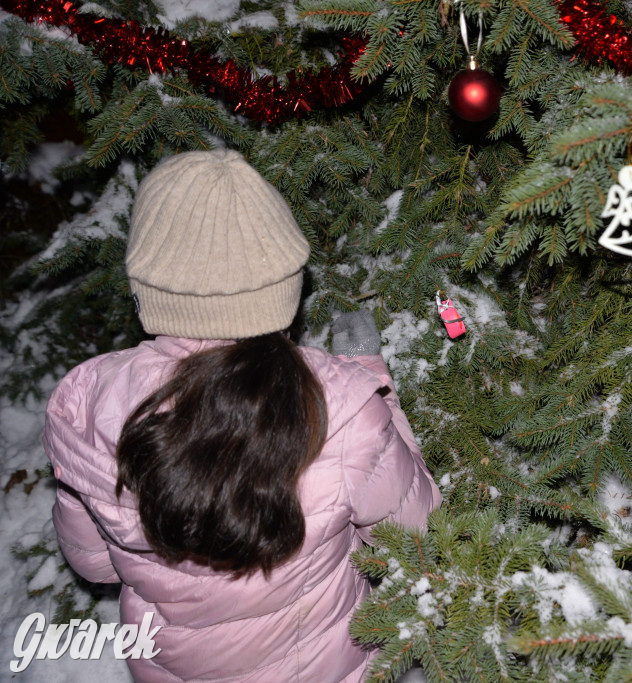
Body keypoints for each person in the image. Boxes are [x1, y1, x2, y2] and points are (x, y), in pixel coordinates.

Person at [42, 149, 442, 682]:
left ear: (145, 292)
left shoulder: (89, 406)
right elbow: (416, 533)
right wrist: (375, 385)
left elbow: (92, 561)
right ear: (285, 287)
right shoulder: (339, 410)